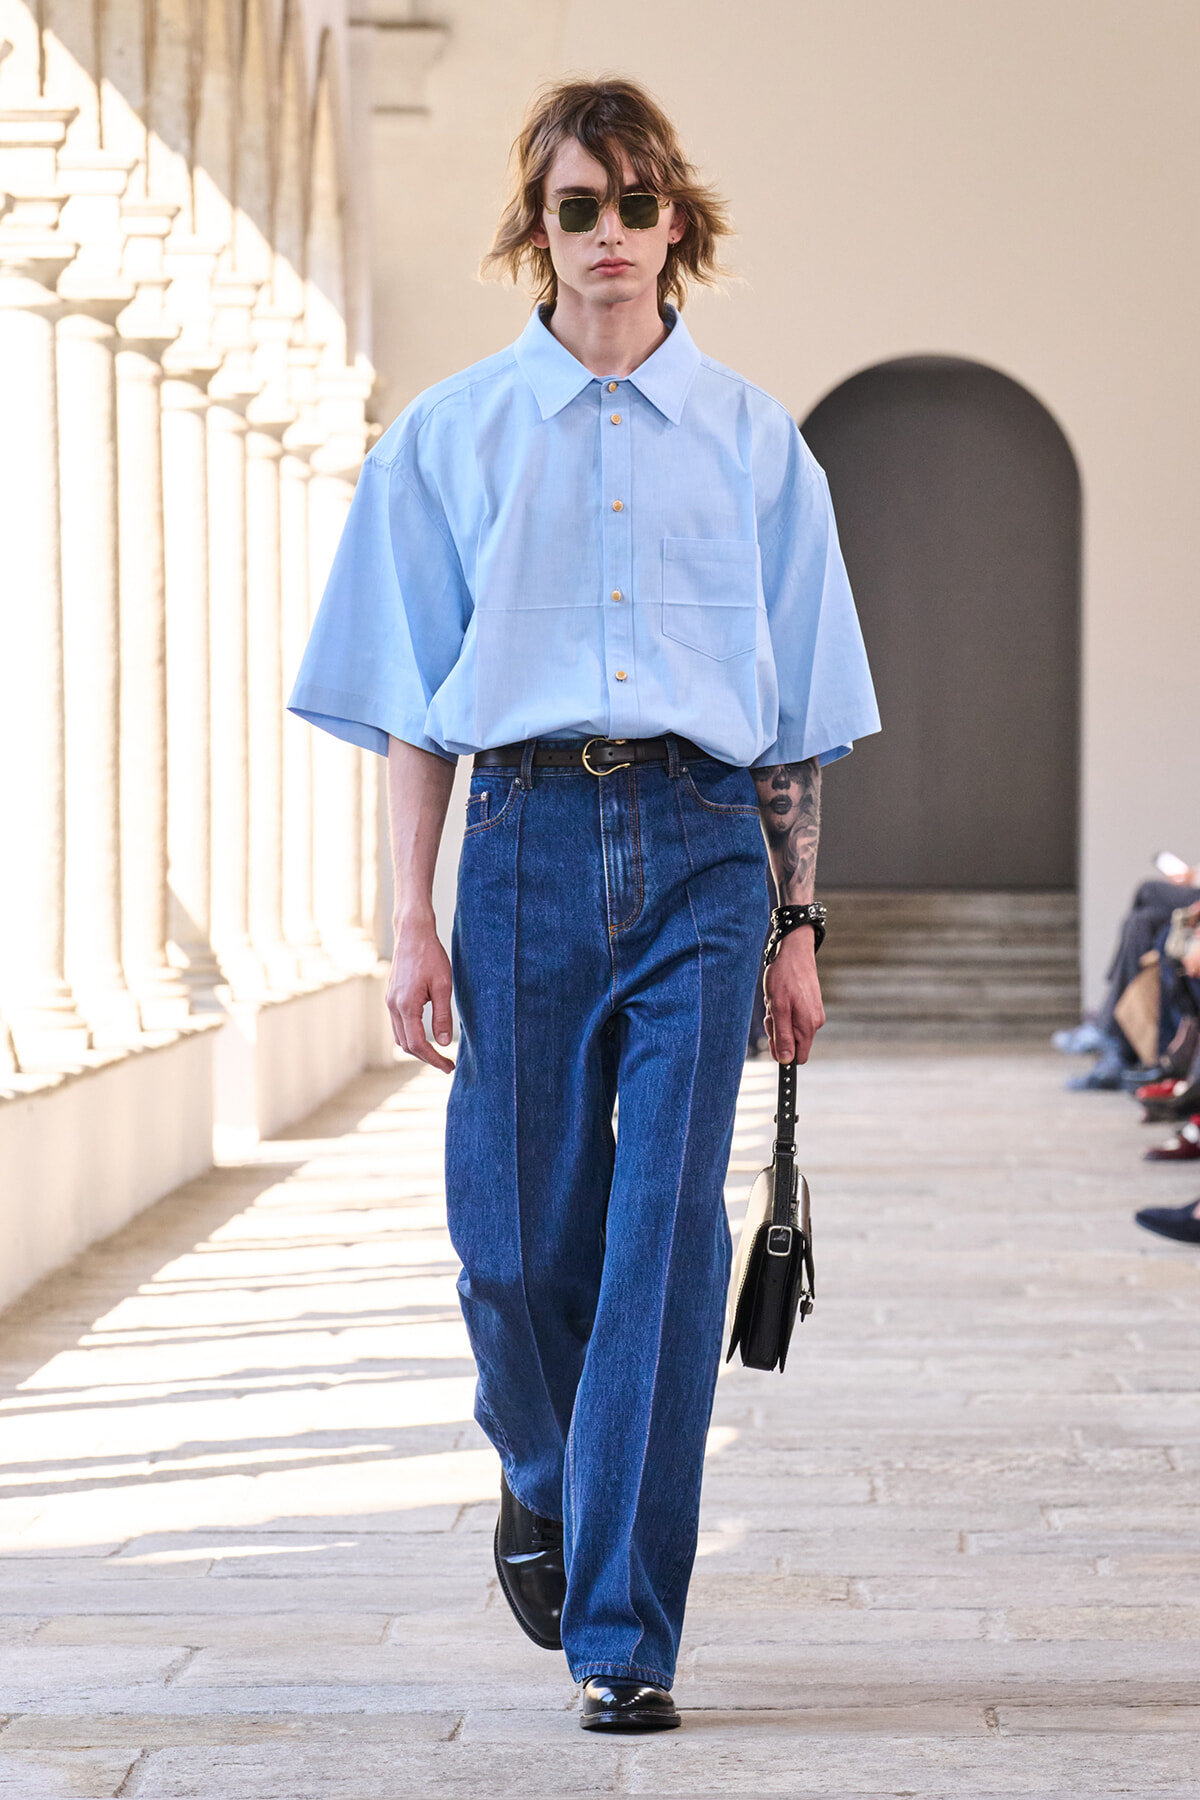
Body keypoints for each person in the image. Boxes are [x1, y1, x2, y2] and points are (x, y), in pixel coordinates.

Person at [289, 77, 878, 1732]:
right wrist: (408, 916)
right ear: (534, 231)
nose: (607, 235)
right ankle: (544, 1477)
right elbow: (415, 701)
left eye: (634, 204)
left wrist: (795, 926)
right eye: (575, 208)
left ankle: (624, 1635)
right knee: (512, 1247)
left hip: (702, 854)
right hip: (526, 846)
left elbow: (793, 722)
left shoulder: (762, 447)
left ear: (676, 223)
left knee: (659, 1255)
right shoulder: (453, 439)